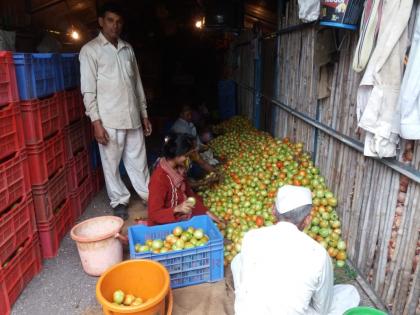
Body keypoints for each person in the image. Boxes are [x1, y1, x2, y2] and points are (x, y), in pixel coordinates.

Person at [231, 185, 360, 315]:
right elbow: (322, 309)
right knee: (348, 292)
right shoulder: (318, 254)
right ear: (308, 220)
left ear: (273, 211)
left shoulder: (251, 237)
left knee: (237, 260)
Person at [79, 2, 152, 220]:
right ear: (101, 22)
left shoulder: (127, 49)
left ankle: (148, 194)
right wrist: (96, 122)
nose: (115, 25)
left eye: (119, 21)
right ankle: (119, 200)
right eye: (110, 20)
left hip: (132, 116)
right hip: (109, 118)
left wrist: (144, 113)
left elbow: (136, 83)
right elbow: (88, 91)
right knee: (111, 164)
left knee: (139, 160)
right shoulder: (90, 51)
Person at [147, 133, 220, 226]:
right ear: (177, 154)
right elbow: (154, 214)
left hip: (180, 215)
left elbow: (189, 194)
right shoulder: (159, 179)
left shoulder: (180, 170)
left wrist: (207, 213)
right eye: (186, 156)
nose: (188, 159)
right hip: (163, 224)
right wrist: (177, 209)